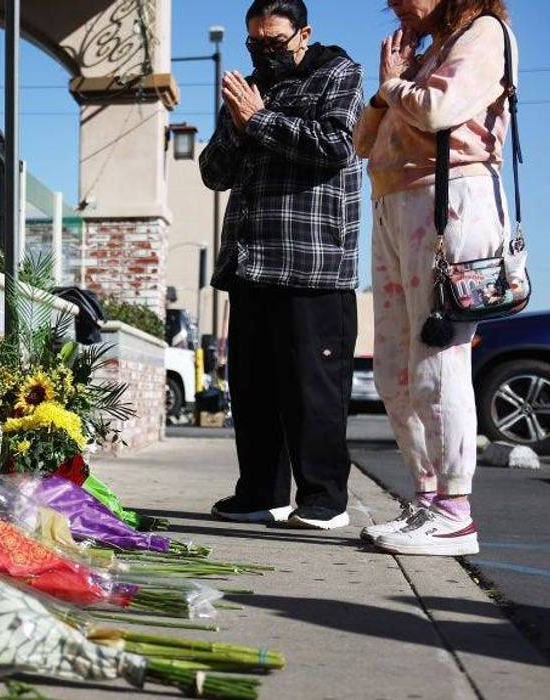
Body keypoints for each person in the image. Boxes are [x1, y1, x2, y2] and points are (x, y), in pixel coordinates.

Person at [356, 0, 517, 556]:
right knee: (393, 364)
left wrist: (395, 86)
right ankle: (427, 500)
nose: (395, 4)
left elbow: (438, 109)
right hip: (397, 202)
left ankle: (455, 511)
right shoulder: (431, 52)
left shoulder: (484, 33)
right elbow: (362, 143)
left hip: (450, 203)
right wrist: (388, 90)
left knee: (436, 356)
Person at [200, 0, 365, 530]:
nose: (264, 53)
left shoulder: (338, 73)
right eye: (255, 44)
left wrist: (261, 121)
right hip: (250, 261)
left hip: (312, 262)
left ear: (304, 33)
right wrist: (240, 125)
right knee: (252, 389)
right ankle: (258, 495)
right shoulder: (248, 90)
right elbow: (212, 172)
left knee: (312, 389)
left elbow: (339, 145)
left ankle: (323, 501)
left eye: (274, 42)